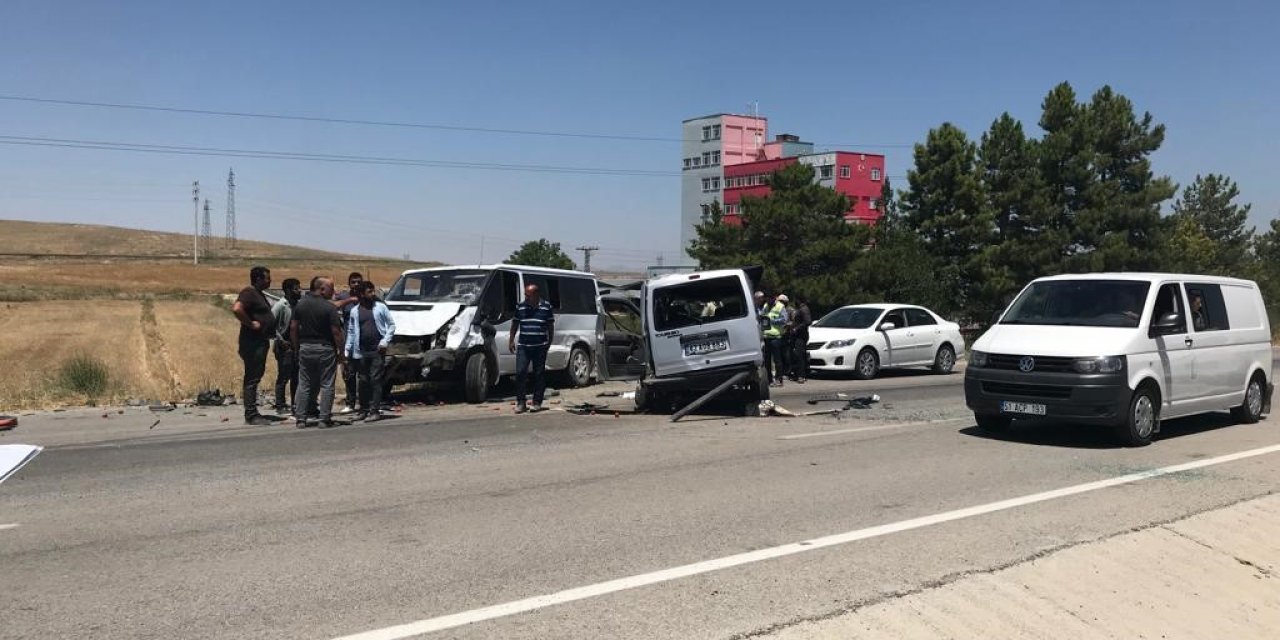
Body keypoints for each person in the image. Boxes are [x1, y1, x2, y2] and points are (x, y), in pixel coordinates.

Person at [291, 276, 346, 428]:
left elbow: (294, 328)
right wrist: (342, 352)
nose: (333, 291)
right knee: (327, 384)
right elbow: (336, 332)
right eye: (331, 288)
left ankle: (301, 418)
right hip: (325, 349)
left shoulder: (301, 305)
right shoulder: (329, 308)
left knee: (304, 383)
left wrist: (297, 348)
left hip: (305, 347)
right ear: (321, 289)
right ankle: (324, 418)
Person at [345, 281, 396, 422]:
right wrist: (347, 349)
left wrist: (385, 341)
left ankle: (375, 411)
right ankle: (363, 409)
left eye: (373, 291)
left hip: (377, 351)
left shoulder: (380, 307)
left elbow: (391, 325)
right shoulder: (355, 311)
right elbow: (351, 331)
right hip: (361, 351)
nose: (372, 294)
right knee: (362, 381)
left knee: (375, 380)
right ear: (361, 294)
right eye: (369, 292)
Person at [232, 266, 275, 425]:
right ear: (258, 279)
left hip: (259, 342)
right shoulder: (249, 293)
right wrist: (251, 324)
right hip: (252, 342)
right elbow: (237, 309)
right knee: (251, 378)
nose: (270, 281)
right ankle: (251, 414)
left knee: (255, 377)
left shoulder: (258, 295)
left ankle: (252, 411)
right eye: (267, 278)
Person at [509, 283, 554, 413]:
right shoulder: (521, 307)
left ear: (536, 294)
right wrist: (511, 340)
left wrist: (549, 341)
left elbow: (550, 325)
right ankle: (521, 402)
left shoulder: (546, 307)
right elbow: (515, 323)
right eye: (525, 295)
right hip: (524, 346)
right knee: (520, 373)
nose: (526, 297)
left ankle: (537, 402)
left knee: (539, 374)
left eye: (528, 295)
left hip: (540, 346)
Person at [271, 278, 303, 415]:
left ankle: (295, 404)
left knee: (297, 376)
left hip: (296, 345)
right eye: (296, 288)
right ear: (288, 290)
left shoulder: (298, 305)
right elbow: (271, 325)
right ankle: (280, 405)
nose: (299, 290)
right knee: (284, 377)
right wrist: (280, 340)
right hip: (284, 346)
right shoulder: (280, 305)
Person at [333, 272, 364, 415]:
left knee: (365, 374)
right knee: (349, 373)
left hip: (365, 342)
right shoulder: (344, 296)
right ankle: (350, 402)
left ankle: (366, 403)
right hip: (349, 342)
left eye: (359, 282)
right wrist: (350, 300)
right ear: (349, 284)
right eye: (353, 282)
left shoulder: (367, 296)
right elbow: (332, 306)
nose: (356, 284)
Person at [755, 291, 788, 387]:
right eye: (768, 298)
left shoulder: (780, 306)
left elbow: (784, 320)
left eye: (771, 298)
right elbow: (763, 317)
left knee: (777, 360)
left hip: (776, 337)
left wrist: (772, 321)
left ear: (775, 298)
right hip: (766, 337)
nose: (769, 300)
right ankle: (769, 379)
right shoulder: (765, 306)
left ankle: (779, 379)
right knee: (767, 361)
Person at [790, 296, 812, 383]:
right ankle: (799, 374)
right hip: (796, 335)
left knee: (800, 355)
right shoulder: (799, 309)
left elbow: (808, 321)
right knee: (797, 355)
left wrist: (797, 328)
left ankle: (801, 375)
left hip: (801, 336)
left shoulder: (804, 309)